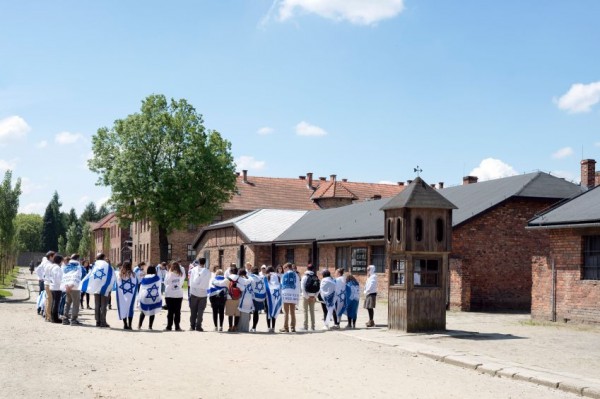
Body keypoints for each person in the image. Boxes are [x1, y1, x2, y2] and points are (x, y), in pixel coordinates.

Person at [80, 253, 115, 328]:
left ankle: (97, 321)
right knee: (103, 305)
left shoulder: (94, 266)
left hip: (96, 288)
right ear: (103, 257)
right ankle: (103, 322)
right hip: (104, 288)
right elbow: (112, 276)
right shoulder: (107, 266)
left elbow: (90, 275)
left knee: (97, 305)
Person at [61, 254, 86, 326]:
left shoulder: (66, 266)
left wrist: (66, 286)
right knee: (75, 304)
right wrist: (72, 286)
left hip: (66, 287)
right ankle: (73, 320)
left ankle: (65, 319)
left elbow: (63, 277)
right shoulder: (78, 267)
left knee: (67, 303)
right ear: (78, 259)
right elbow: (79, 276)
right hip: (75, 287)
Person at [188, 257, 211, 331]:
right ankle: (198, 326)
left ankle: (192, 326)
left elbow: (190, 281)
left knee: (193, 310)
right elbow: (208, 281)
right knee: (200, 311)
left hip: (194, 292)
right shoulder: (207, 271)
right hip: (203, 293)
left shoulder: (193, 270)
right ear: (205, 263)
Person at [138, 265, 162, 330]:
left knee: (143, 311)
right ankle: (150, 326)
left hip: (145, 296)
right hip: (153, 296)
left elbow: (141, 288)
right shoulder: (157, 278)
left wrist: (139, 298)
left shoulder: (144, 278)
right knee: (152, 311)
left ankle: (139, 325)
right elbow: (159, 287)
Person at [116, 260, 138, 330]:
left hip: (123, 294)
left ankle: (125, 324)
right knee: (130, 309)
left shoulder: (120, 274)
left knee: (123, 308)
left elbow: (118, 285)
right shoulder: (133, 274)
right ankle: (130, 325)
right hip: (131, 295)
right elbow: (136, 285)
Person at [164, 261, 184, 331]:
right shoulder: (181, 274)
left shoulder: (168, 274)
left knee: (170, 312)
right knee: (177, 311)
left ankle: (169, 326)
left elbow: (165, 283)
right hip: (178, 294)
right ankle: (177, 326)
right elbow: (181, 283)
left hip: (169, 295)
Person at [280, 263, 300, 333]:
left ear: (287, 267)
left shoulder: (284, 275)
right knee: (292, 312)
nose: (283, 270)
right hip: (293, 296)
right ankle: (293, 327)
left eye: (284, 268)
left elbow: (281, 285)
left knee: (286, 312)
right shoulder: (296, 275)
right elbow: (298, 285)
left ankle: (286, 327)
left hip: (286, 295)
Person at [301, 263, 319, 331]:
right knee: (312, 312)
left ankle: (305, 327)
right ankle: (313, 327)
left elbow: (302, 287)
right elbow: (318, 287)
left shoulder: (305, 276)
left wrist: (307, 297)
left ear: (307, 268)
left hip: (306, 296)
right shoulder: (316, 276)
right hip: (313, 296)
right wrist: (315, 296)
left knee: (305, 311)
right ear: (313, 269)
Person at [249, 265, 266, 332]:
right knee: (256, 313)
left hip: (252, 297)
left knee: (248, 312)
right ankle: (254, 327)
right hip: (259, 297)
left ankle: (247, 326)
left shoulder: (250, 277)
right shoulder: (261, 278)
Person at [265, 266, 282, 333]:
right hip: (276, 295)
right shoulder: (277, 276)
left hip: (269, 296)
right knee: (274, 310)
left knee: (268, 312)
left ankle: (269, 327)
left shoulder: (267, 276)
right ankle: (273, 327)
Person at [49, 254, 64, 323]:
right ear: (59, 261)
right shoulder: (57, 268)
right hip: (57, 287)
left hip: (52, 286)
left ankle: (53, 317)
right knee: (56, 303)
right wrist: (62, 284)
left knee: (54, 302)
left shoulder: (52, 266)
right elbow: (58, 278)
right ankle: (55, 318)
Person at [225, 266, 241, 332]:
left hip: (229, 297)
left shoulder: (228, 278)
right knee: (237, 313)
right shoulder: (240, 278)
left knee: (230, 313)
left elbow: (222, 284)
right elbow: (243, 287)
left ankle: (230, 327)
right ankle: (235, 327)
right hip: (238, 297)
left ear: (230, 272)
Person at [42, 251, 56, 322]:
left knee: (47, 300)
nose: (55, 258)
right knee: (50, 301)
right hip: (49, 284)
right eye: (54, 256)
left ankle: (47, 316)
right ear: (51, 256)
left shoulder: (46, 263)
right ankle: (48, 317)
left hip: (46, 283)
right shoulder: (50, 265)